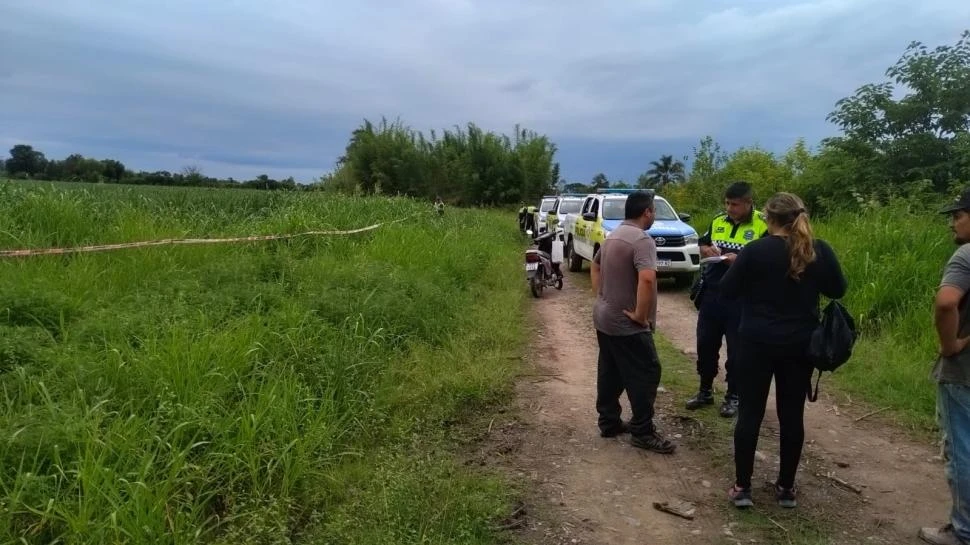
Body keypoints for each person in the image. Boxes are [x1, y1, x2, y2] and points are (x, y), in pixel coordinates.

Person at [719, 192, 846, 509]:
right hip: (799, 345)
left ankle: (742, 487)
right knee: (792, 416)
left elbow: (728, 290)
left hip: (755, 343)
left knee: (750, 414)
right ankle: (786, 488)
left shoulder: (755, 251)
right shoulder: (818, 250)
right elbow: (838, 290)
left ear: (768, 218)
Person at [590, 190, 676, 454]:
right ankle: (642, 431)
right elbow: (648, 279)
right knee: (647, 372)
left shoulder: (612, 235)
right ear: (647, 211)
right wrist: (640, 315)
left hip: (604, 318)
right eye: (653, 211)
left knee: (611, 369)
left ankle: (609, 422)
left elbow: (594, 265)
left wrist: (602, 296)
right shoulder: (641, 240)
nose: (653, 215)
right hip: (627, 324)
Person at [685, 181, 769, 417]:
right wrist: (706, 250)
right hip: (713, 293)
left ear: (749, 203)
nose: (730, 208)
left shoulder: (764, 224)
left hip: (742, 298)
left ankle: (734, 395)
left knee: (738, 349)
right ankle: (705, 391)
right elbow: (703, 242)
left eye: (735, 204)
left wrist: (740, 260)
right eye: (727, 203)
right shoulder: (718, 220)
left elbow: (769, 259)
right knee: (706, 344)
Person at [920, 188, 970, 545]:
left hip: (963, 373)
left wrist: (950, 345)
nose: (953, 222)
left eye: (959, 215)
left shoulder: (965, 255)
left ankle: (964, 531)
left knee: (963, 449)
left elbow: (946, 302)